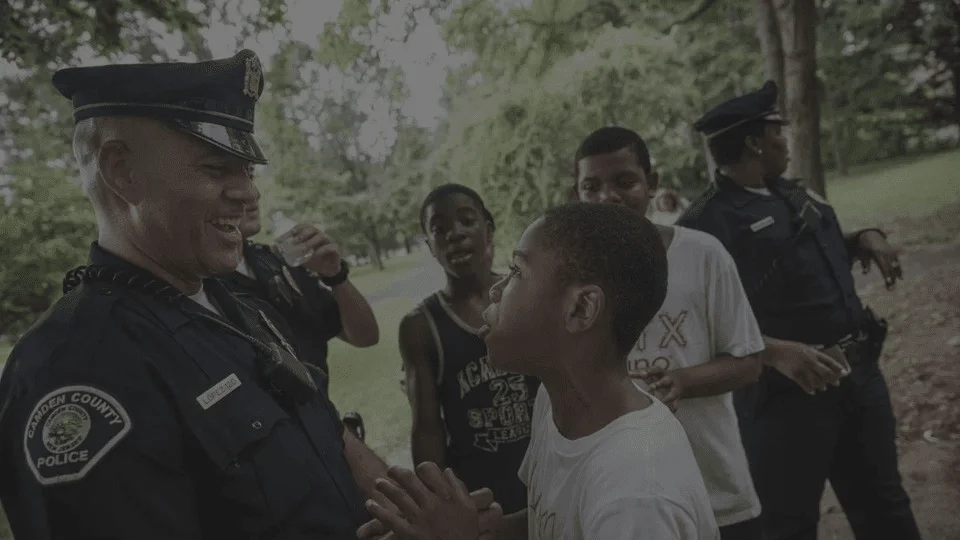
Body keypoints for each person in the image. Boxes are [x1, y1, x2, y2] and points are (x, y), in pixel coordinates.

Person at [0, 50, 395, 539]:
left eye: (247, 171)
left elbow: (327, 433)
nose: (249, 195)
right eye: (216, 169)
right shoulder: (75, 368)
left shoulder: (240, 309)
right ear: (122, 172)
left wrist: (417, 513)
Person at [361, 202, 719, 540]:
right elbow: (553, 520)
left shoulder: (637, 496)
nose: (496, 289)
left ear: (580, 309)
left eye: (517, 271)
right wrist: (486, 530)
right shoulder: (556, 400)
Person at [677, 81, 921, 540]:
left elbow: (807, 259)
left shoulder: (792, 195)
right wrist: (769, 351)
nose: (785, 141)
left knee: (886, 507)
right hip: (787, 400)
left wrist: (864, 236)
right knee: (787, 525)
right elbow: (696, 321)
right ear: (753, 141)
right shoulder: (704, 226)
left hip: (859, 380)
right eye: (777, 132)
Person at [572, 126, 766, 539]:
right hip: (626, 503)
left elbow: (748, 362)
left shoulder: (702, 255)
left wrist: (682, 381)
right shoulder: (569, 278)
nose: (608, 197)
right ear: (577, 195)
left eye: (624, 181)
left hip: (716, 493)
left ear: (652, 184)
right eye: (591, 186)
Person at [398, 183, 540, 515]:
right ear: (430, 246)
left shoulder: (526, 295)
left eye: (466, 221)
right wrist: (434, 502)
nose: (455, 234)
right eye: (440, 229)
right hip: (480, 492)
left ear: (488, 230)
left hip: (546, 470)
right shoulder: (420, 326)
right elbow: (427, 428)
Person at [222, 194, 380, 439]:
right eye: (221, 171)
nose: (251, 193)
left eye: (250, 173)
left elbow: (365, 337)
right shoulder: (198, 286)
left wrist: (335, 276)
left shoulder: (276, 261)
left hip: (328, 433)